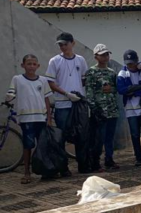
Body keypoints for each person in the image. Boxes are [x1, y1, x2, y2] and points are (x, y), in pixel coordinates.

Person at [45, 32, 89, 177]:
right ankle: (63, 168)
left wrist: (78, 94)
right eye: (61, 45)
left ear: (72, 43)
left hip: (77, 104)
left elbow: (84, 79)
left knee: (81, 135)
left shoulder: (81, 60)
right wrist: (66, 93)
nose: (63, 47)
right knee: (62, 136)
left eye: (65, 44)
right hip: (63, 104)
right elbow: (51, 83)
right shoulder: (54, 61)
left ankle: (83, 165)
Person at [5, 54, 54, 184]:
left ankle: (45, 170)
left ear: (38, 66)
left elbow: (46, 99)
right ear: (23, 65)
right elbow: (11, 94)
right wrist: (8, 97)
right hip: (26, 119)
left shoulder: (42, 80)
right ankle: (27, 172)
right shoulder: (17, 79)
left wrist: (49, 117)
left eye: (34, 64)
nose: (31, 66)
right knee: (28, 145)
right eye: (29, 64)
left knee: (42, 145)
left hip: (41, 117)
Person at [117, 50, 141, 166]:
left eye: (132, 63)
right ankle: (139, 158)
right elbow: (121, 89)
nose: (131, 65)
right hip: (130, 108)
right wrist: (139, 88)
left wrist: (134, 91)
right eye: (128, 63)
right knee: (134, 134)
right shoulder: (122, 73)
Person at [84, 44, 120, 171]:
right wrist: (95, 110)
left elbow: (117, 89)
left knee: (110, 138)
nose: (105, 57)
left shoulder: (112, 72)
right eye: (102, 55)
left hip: (112, 109)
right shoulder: (91, 72)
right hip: (99, 111)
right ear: (96, 57)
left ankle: (109, 160)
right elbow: (89, 93)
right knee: (98, 139)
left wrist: (111, 89)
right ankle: (95, 162)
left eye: (107, 54)